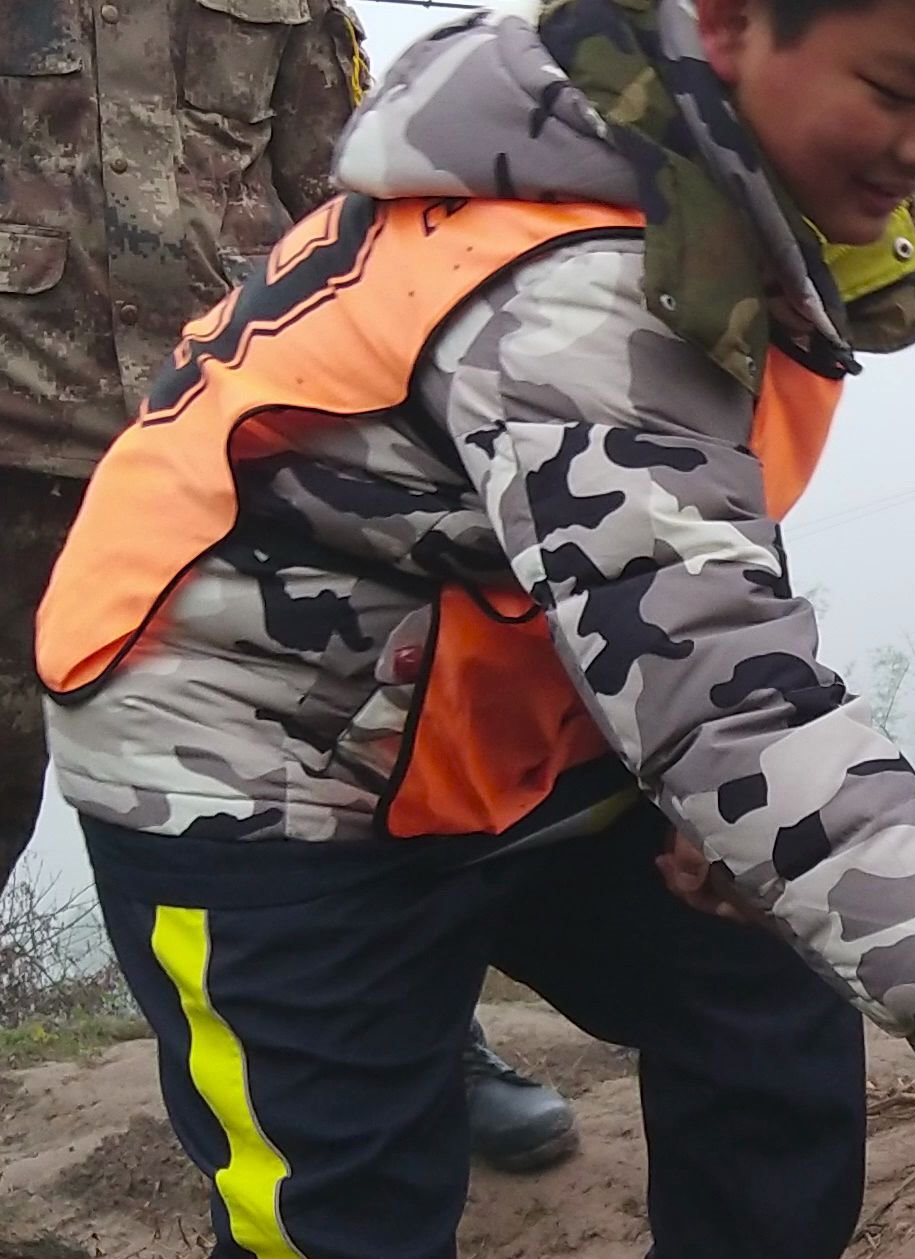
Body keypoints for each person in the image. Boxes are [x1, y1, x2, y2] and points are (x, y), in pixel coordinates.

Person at [35, 0, 915, 1259]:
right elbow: (709, 658)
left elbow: (670, 565)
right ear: (734, 20)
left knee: (761, 994)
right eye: (897, 88)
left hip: (477, 710)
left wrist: (721, 820)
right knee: (341, 1246)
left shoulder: (696, 179)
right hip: (251, 770)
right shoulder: (572, 277)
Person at [0, 0, 578, 1172]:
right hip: (16, 452)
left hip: (234, 461)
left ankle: (432, 1054)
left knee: (355, 768)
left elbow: (352, 196)